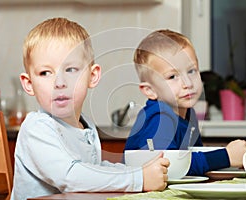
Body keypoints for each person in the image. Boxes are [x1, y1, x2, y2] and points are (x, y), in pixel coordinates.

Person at [11, 18, 170, 200]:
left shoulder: (85, 127)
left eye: (71, 70)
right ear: (29, 83)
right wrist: (138, 178)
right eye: (45, 73)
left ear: (92, 76)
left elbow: (94, 170)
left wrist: (140, 171)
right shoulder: (36, 128)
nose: (59, 83)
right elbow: (71, 176)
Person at [124, 29, 246, 176]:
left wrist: (239, 159)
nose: (187, 83)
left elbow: (195, 158)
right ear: (150, 91)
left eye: (191, 71)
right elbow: (171, 166)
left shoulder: (188, 114)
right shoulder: (159, 117)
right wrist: (226, 156)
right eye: (173, 76)